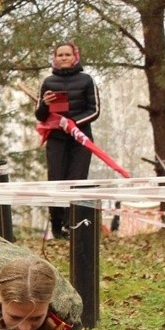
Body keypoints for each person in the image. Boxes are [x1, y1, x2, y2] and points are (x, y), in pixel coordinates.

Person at [34, 41, 100, 240]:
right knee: (56, 180)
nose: (63, 58)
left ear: (75, 57)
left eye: (67, 55)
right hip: (57, 139)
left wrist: (73, 123)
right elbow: (39, 115)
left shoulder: (87, 80)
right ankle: (56, 226)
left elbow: (95, 110)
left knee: (77, 180)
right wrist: (45, 105)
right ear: (55, 58)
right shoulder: (47, 82)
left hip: (80, 139)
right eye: (60, 55)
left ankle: (74, 226)